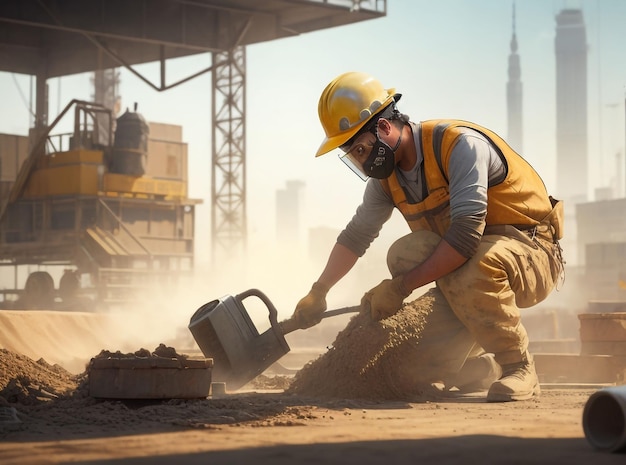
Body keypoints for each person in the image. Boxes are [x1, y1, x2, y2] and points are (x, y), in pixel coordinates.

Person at [290, 71, 565, 402]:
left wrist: (402, 287)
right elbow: (356, 235)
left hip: (530, 250)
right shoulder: (386, 179)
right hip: (471, 259)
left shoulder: (460, 146)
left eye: (361, 150)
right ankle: (471, 367)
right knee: (405, 255)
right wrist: (319, 291)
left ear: (383, 128)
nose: (362, 163)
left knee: (476, 266)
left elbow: (464, 238)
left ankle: (518, 366)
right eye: (354, 156)